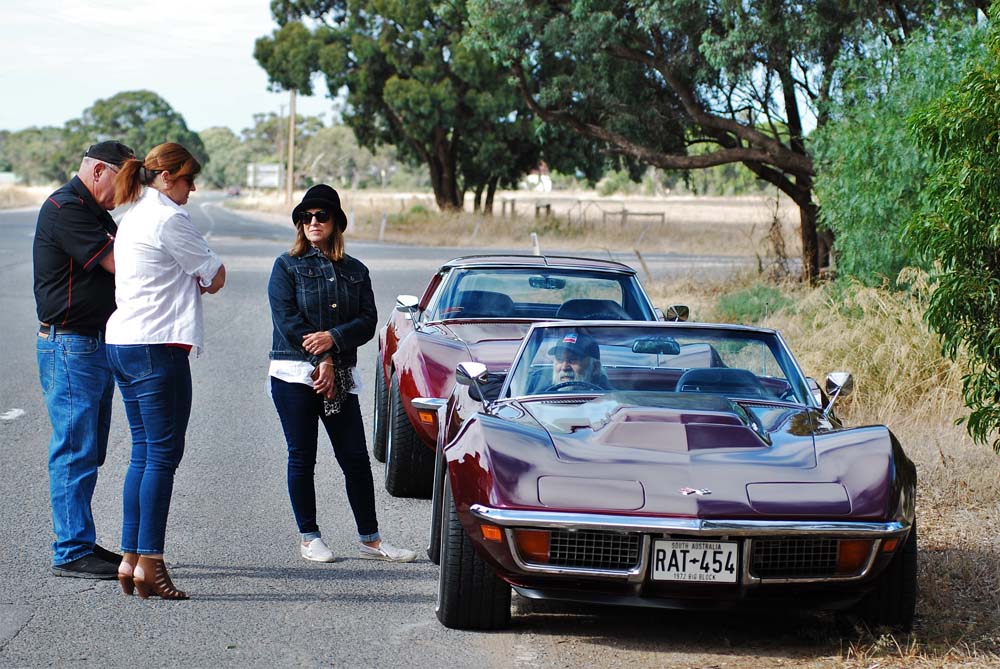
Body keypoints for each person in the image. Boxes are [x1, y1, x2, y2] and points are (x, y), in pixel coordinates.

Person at [268, 184, 416, 564]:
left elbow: (367, 321)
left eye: (321, 216)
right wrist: (323, 357)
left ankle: (371, 539)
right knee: (302, 456)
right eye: (306, 217)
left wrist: (333, 340)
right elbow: (287, 321)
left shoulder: (356, 271)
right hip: (294, 375)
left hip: (340, 378)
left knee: (355, 458)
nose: (313, 222)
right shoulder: (286, 266)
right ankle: (310, 537)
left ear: (336, 222)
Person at [105, 142, 226, 600]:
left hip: (124, 341)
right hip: (157, 346)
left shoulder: (132, 215)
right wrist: (202, 275)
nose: (192, 189)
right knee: (161, 456)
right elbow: (215, 275)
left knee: (142, 453)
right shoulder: (169, 218)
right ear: (167, 177)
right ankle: (151, 563)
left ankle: (130, 558)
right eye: (189, 180)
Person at [34, 140, 135, 579]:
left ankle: (78, 537)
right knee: (75, 449)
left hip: (91, 344)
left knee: (88, 450)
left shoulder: (95, 212)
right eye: (124, 180)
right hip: (70, 345)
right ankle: (71, 549)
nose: (127, 192)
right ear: (98, 171)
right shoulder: (66, 208)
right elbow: (118, 262)